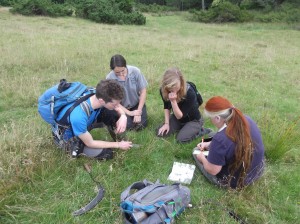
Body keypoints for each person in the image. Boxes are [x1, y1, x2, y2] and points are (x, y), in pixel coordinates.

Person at [193, 96, 265, 189]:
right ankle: (210, 142)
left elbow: (213, 170)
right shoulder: (245, 119)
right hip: (257, 169)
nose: (211, 120)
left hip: (237, 181)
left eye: (211, 118)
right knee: (214, 136)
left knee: (195, 151)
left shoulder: (219, 140)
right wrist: (209, 144)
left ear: (218, 118)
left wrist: (202, 158)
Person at [55, 79, 133, 160]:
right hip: (69, 137)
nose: (118, 105)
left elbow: (117, 107)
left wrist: (123, 116)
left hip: (88, 121)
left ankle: (122, 141)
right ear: (101, 101)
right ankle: (71, 148)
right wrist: (117, 145)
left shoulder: (99, 94)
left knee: (114, 114)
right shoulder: (78, 116)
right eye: (115, 104)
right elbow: (90, 143)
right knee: (107, 153)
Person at [156, 67, 212, 143]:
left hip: (193, 120)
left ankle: (201, 130)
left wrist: (173, 101)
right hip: (177, 118)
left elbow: (180, 116)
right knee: (160, 133)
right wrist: (166, 123)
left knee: (181, 140)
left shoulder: (189, 93)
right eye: (170, 87)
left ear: (181, 82)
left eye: (175, 86)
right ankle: (183, 129)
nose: (173, 89)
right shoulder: (164, 90)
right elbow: (166, 107)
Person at [106, 54, 148, 130]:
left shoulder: (135, 71)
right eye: (117, 73)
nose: (121, 74)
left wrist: (138, 111)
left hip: (136, 104)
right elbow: (114, 101)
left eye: (123, 70)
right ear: (112, 70)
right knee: (128, 126)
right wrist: (129, 113)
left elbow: (143, 91)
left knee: (142, 125)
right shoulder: (109, 78)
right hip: (121, 107)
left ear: (125, 65)